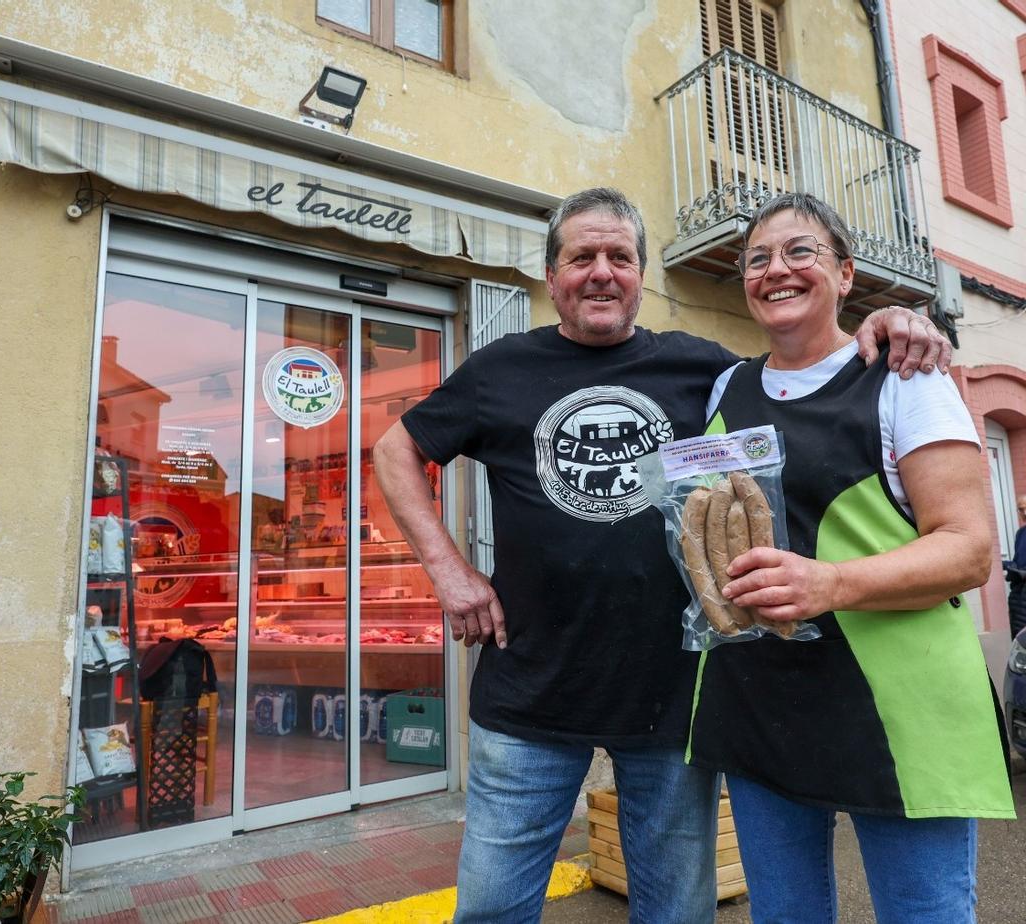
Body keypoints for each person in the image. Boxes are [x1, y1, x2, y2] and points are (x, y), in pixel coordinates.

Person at [372, 186, 952, 924]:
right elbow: (394, 450)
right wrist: (448, 572)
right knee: (490, 909)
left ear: (641, 276)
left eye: (620, 257)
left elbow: (802, 370)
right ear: (551, 277)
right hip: (527, 696)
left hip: (674, 702)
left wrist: (889, 321)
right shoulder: (500, 368)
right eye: (582, 257)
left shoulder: (704, 370)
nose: (601, 272)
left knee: (677, 912)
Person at [686, 192, 1015, 924]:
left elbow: (969, 550)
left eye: (800, 251)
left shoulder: (907, 377)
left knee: (923, 914)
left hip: (899, 708)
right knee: (785, 915)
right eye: (757, 259)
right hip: (762, 703)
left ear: (845, 273)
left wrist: (829, 583)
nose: (776, 269)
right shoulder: (726, 387)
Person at [1002, 495, 1026, 638]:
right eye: (1021, 509)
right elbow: (1018, 561)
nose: (1024, 513)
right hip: (1018, 593)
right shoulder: (1020, 533)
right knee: (1019, 639)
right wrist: (1006, 565)